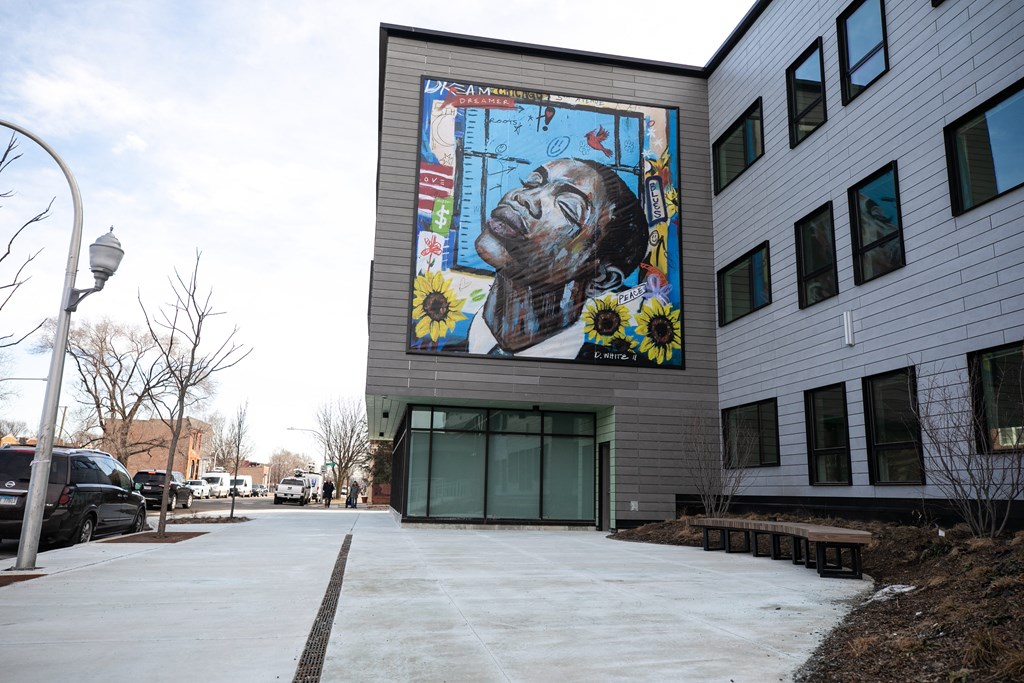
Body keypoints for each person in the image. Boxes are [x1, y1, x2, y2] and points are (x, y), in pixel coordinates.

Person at [469, 157, 648, 358]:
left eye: (568, 208)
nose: (524, 197)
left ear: (600, 277)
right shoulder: (444, 339)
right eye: (531, 183)